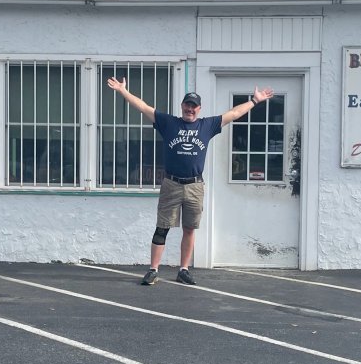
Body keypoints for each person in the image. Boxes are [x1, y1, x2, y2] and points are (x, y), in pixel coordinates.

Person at [106, 77, 274, 286]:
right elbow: (143, 107)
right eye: (187, 105)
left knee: (189, 228)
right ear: (182, 106)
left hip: (195, 185)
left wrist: (255, 101)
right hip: (171, 184)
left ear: (199, 109)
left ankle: (183, 269)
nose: (190, 109)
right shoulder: (169, 123)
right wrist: (123, 91)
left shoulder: (208, 125)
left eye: (194, 106)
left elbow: (233, 114)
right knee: (162, 227)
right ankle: (153, 270)